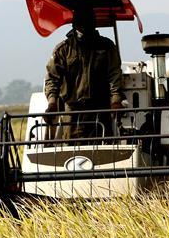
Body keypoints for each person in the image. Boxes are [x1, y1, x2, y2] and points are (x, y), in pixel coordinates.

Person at [44, 7, 124, 139]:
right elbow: (53, 79)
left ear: (94, 23)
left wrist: (116, 100)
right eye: (81, 22)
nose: (85, 26)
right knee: (72, 149)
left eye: (88, 21)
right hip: (72, 112)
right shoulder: (63, 50)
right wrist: (52, 103)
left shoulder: (106, 47)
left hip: (100, 110)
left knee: (103, 147)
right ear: (74, 24)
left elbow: (114, 74)